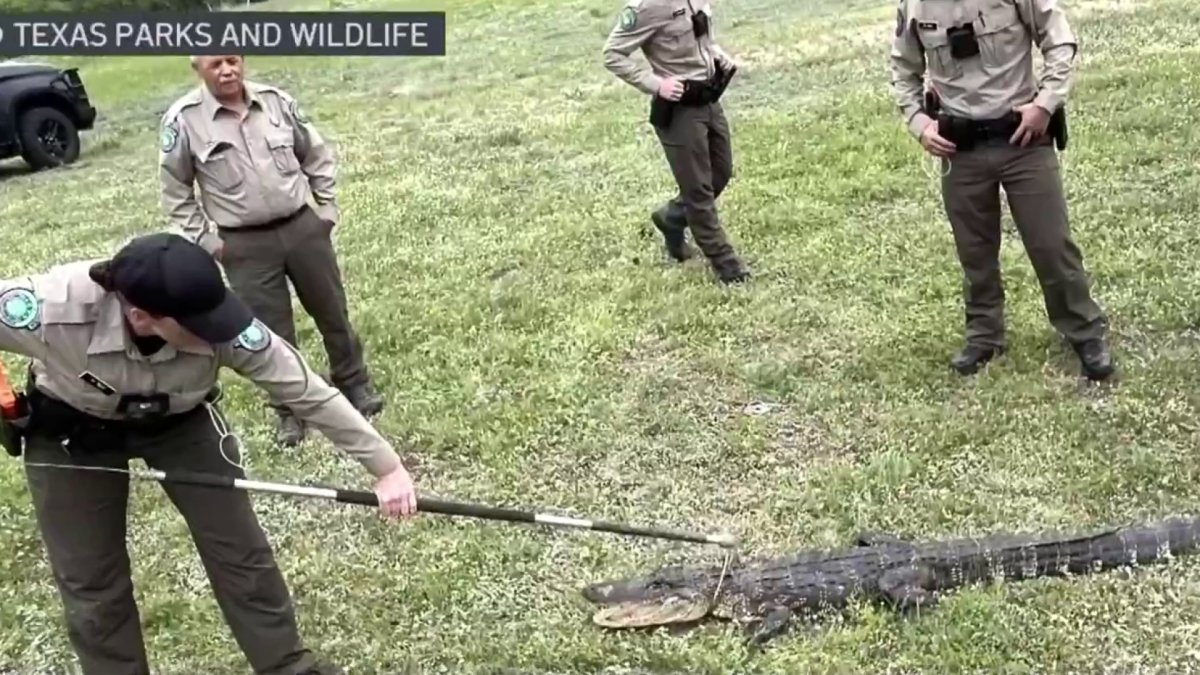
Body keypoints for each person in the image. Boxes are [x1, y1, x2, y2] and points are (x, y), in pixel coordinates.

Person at [0, 232, 418, 675]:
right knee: (91, 579)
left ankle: (287, 666)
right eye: (198, 324)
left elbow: (308, 393)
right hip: (70, 430)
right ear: (142, 317)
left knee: (241, 553)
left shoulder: (222, 321)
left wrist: (387, 467)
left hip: (181, 423)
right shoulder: (53, 307)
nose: (216, 330)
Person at [158, 54, 382, 447]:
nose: (227, 70)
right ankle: (290, 409)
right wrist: (206, 239)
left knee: (332, 311)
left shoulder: (276, 102)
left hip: (302, 229)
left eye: (233, 60)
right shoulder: (184, 121)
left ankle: (354, 383)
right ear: (198, 69)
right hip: (244, 244)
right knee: (269, 333)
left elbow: (315, 153)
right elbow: (175, 190)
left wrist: (326, 207)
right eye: (215, 64)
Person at [889, 0, 1115, 380]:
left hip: (1023, 139)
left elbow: (1059, 40)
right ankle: (984, 335)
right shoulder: (915, 5)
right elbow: (903, 68)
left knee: (1051, 245)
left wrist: (1045, 104)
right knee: (974, 251)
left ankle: (1084, 330)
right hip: (960, 148)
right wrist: (919, 122)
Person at [602, 0, 750, 284]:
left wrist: (715, 53)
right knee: (698, 191)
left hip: (708, 97)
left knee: (720, 173)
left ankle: (672, 217)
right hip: (680, 111)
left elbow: (700, 35)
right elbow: (613, 54)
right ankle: (727, 265)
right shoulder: (647, 7)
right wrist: (657, 84)